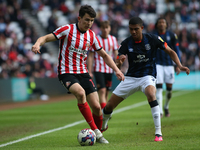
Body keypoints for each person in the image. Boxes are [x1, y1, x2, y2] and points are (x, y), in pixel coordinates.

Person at [31, 5, 124, 144]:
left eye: (92, 20)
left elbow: (104, 55)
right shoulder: (67, 30)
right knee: (80, 94)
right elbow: (45, 37)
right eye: (87, 20)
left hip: (83, 73)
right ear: (79, 18)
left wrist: (117, 70)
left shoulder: (92, 35)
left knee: (98, 108)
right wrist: (37, 44)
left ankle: (98, 133)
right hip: (66, 73)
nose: (89, 23)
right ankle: (97, 132)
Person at [101, 17, 190, 142]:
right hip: (131, 77)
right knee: (109, 105)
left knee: (151, 94)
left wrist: (179, 65)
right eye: (131, 29)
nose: (133, 32)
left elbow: (170, 51)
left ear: (142, 28)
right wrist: (119, 63)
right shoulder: (126, 43)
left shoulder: (153, 39)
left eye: (136, 29)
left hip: (147, 76)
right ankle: (104, 124)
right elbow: (117, 64)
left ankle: (158, 133)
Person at [87, 20, 119, 110]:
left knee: (107, 91)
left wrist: (117, 68)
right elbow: (90, 56)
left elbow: (116, 54)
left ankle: (104, 109)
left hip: (109, 69)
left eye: (107, 28)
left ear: (110, 28)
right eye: (103, 28)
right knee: (102, 90)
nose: (105, 30)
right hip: (98, 68)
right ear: (100, 28)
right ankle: (104, 111)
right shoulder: (96, 39)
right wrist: (90, 71)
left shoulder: (113, 39)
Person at [154, 17, 181, 117]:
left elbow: (176, 50)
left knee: (169, 90)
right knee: (159, 88)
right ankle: (160, 111)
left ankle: (166, 106)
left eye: (163, 22)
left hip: (169, 65)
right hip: (157, 64)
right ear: (157, 24)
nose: (161, 24)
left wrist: (178, 64)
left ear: (166, 25)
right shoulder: (153, 35)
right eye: (159, 22)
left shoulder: (172, 35)